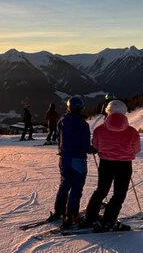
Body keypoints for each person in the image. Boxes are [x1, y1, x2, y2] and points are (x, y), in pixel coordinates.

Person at [83, 100, 141, 232]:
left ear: (108, 112)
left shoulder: (99, 130)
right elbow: (136, 149)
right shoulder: (132, 132)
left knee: (101, 190)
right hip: (124, 165)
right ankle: (109, 221)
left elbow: (96, 147)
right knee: (119, 193)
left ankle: (90, 217)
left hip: (106, 163)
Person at [48, 97, 92, 227]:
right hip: (78, 159)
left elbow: (58, 138)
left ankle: (59, 210)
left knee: (64, 184)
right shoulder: (83, 124)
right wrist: (92, 149)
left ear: (69, 107)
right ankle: (72, 214)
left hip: (64, 158)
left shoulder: (62, 121)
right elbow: (85, 146)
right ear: (81, 108)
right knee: (76, 188)